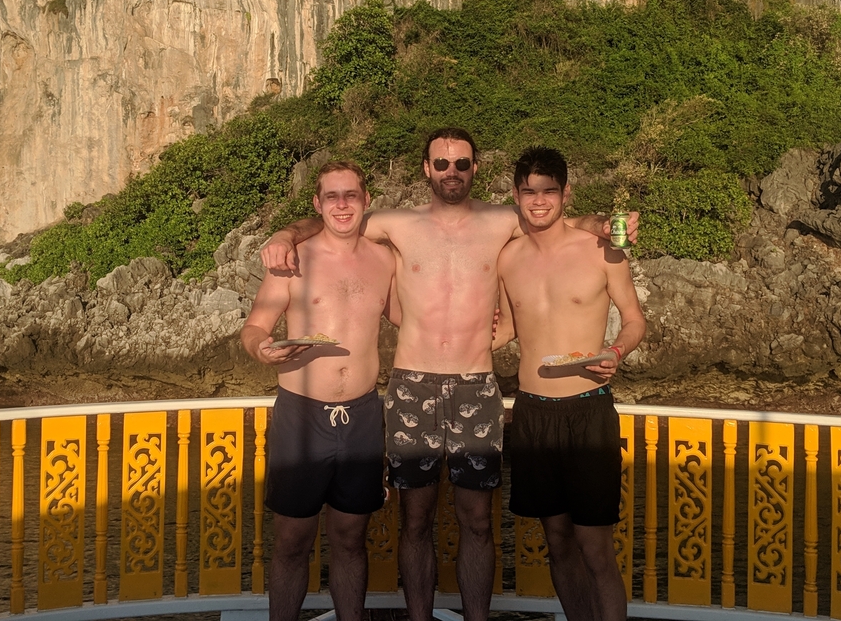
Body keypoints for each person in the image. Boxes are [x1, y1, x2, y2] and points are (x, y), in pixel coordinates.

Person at [261, 128, 639, 621]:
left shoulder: (505, 220)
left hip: (475, 385)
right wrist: (287, 233)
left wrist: (604, 224)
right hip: (412, 382)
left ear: (475, 167)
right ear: (427, 169)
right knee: (414, 519)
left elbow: (555, 218)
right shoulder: (394, 223)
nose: (451, 172)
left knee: (478, 521)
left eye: (461, 163)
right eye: (441, 164)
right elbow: (336, 218)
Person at [494, 146, 646, 621]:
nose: (538, 201)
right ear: (516, 196)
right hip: (533, 412)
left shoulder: (603, 249)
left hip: (588, 408)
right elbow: (506, 329)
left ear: (565, 194)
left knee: (595, 546)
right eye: (529, 192)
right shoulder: (508, 258)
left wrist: (615, 353)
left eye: (549, 192)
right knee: (557, 543)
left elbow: (635, 321)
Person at [240, 161, 397, 621]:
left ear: (367, 201)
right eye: (332, 196)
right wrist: (261, 351)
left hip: (364, 415)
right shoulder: (293, 260)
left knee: (351, 537)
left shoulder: (384, 258)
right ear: (317, 204)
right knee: (292, 540)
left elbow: (410, 314)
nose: (342, 204)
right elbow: (255, 327)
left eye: (351, 195)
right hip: (301, 416)